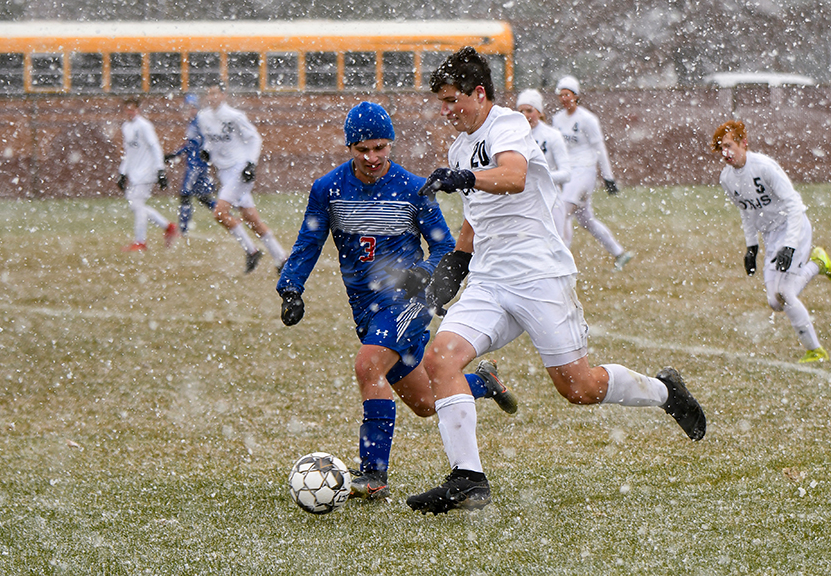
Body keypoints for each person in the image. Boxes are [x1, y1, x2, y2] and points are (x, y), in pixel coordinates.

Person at [406, 47, 706, 516]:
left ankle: (667, 391)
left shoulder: (507, 124)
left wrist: (462, 176)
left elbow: (512, 176)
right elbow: (475, 214)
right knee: (440, 358)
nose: (444, 111)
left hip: (538, 274)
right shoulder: (459, 146)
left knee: (579, 388)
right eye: (441, 102)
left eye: (450, 100)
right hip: (489, 279)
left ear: (478, 93)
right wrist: (455, 267)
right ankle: (468, 478)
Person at [276, 102, 518, 500]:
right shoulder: (328, 190)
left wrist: (424, 273)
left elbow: (444, 246)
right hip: (366, 309)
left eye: (380, 147)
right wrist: (291, 288)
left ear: (391, 144)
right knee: (424, 402)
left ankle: (373, 476)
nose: (372, 158)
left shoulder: (412, 188)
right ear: (349, 147)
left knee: (367, 365)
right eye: (362, 149)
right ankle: (484, 383)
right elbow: (308, 242)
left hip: (409, 302)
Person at [712, 120, 830, 363]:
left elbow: (794, 204)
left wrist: (790, 244)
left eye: (729, 145)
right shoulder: (726, 178)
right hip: (771, 236)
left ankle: (815, 351)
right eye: (721, 148)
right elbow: (746, 211)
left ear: (744, 143)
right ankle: (818, 263)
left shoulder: (764, 167)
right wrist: (751, 247)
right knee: (775, 301)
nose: (726, 153)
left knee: (785, 293)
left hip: (792, 228)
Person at [197, 83, 287, 273]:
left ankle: (251, 250)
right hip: (223, 171)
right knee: (251, 218)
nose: (211, 97)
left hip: (239, 170)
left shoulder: (234, 116)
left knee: (220, 213)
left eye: (214, 93)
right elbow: (209, 140)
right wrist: (206, 151)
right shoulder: (203, 116)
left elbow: (255, 138)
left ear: (223, 95)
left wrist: (250, 164)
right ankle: (281, 258)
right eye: (208, 94)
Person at [551, 75, 633, 271]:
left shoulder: (587, 119)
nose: (564, 99)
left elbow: (599, 148)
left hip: (585, 172)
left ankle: (561, 263)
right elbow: (557, 149)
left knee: (562, 211)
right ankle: (620, 253)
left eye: (568, 94)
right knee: (586, 220)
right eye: (561, 95)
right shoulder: (557, 119)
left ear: (576, 96)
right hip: (568, 173)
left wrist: (608, 177)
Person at [117, 97, 178, 252]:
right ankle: (168, 226)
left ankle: (140, 242)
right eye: (127, 109)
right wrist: (123, 172)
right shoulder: (126, 127)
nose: (130, 112)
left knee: (137, 205)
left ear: (138, 109)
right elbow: (128, 152)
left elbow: (155, 147)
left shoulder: (144, 126)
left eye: (133, 109)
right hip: (135, 172)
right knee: (136, 206)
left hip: (146, 171)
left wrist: (160, 170)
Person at [164, 94, 216, 235]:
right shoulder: (193, 123)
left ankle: (184, 228)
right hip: (194, 163)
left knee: (185, 193)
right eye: (188, 107)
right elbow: (190, 145)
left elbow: (201, 143)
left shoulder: (200, 122)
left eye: (192, 107)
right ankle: (227, 214)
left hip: (197, 164)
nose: (190, 110)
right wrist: (175, 154)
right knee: (203, 196)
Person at [516, 88, 571, 190]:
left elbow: (566, 174)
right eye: (521, 111)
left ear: (540, 112)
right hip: (523, 199)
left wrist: (538, 178)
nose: (525, 115)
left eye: (529, 110)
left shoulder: (553, 135)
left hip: (549, 199)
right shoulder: (513, 135)